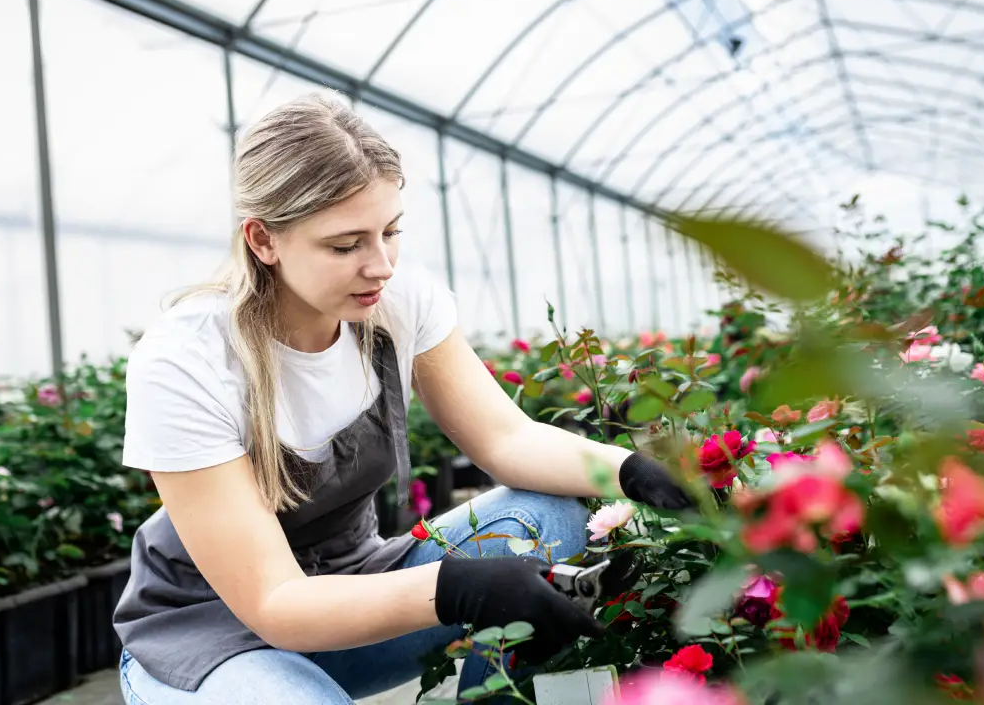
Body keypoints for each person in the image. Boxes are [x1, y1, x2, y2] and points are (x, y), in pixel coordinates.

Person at [112, 93, 693, 704]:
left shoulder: (396, 301)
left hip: (357, 594)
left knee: (549, 516)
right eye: (346, 245)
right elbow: (273, 602)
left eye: (390, 232)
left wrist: (633, 471)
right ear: (263, 240)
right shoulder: (189, 360)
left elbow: (505, 439)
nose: (381, 264)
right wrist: (459, 588)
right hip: (214, 633)